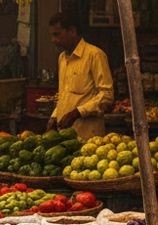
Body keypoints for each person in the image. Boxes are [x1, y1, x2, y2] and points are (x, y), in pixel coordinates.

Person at [46, 11, 114, 141]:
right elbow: (64, 95)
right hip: (64, 138)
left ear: (72, 31)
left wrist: (76, 113)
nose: (53, 40)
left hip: (88, 138)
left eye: (57, 35)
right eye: (52, 35)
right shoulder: (62, 58)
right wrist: (54, 117)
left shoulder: (95, 55)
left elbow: (106, 96)